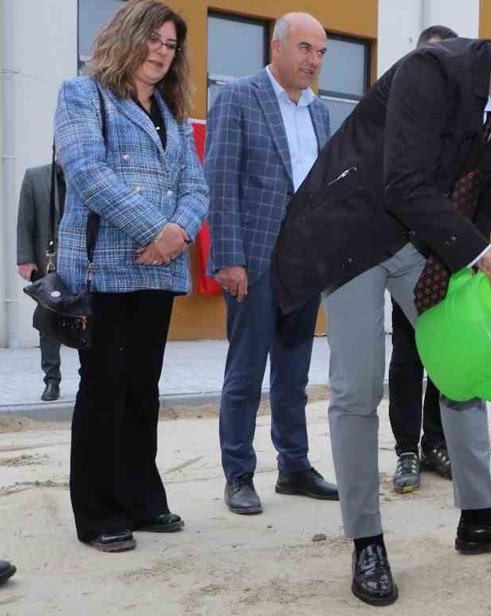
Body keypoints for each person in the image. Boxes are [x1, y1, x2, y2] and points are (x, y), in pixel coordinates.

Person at [271, 10, 491, 606]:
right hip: (354, 239)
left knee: (466, 367)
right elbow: (405, 187)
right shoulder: (428, 74)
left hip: (426, 241)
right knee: (358, 389)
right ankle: (367, 541)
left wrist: (472, 283)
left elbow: (485, 195)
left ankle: (480, 516)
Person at [53, 0, 208, 552]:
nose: (163, 53)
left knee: (143, 389)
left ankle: (142, 498)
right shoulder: (83, 95)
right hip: (104, 271)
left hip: (158, 275)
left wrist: (178, 234)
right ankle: (97, 513)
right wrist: (156, 231)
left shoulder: (172, 112)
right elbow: (87, 172)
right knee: (103, 390)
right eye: (155, 40)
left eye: (171, 46)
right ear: (129, 37)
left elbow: (197, 186)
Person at [206, 12, 338, 516]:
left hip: (303, 265)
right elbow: (220, 183)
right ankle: (238, 474)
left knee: (293, 374)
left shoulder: (319, 111)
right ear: (278, 47)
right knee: (244, 373)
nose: (315, 61)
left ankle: (294, 467)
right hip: (254, 260)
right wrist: (229, 259)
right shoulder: (238, 97)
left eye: (322, 52)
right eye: (306, 49)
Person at [384, 25, 463, 495]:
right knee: (409, 356)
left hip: (450, 259)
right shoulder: (403, 117)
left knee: (446, 358)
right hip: (408, 255)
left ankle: (436, 443)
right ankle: (406, 451)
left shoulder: (463, 124)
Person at [16, 159, 67, 401]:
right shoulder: (35, 177)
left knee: (92, 321)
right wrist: (25, 258)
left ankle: (91, 378)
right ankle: (51, 380)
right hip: (49, 264)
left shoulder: (91, 173)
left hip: (87, 263)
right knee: (48, 323)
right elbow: (25, 220)